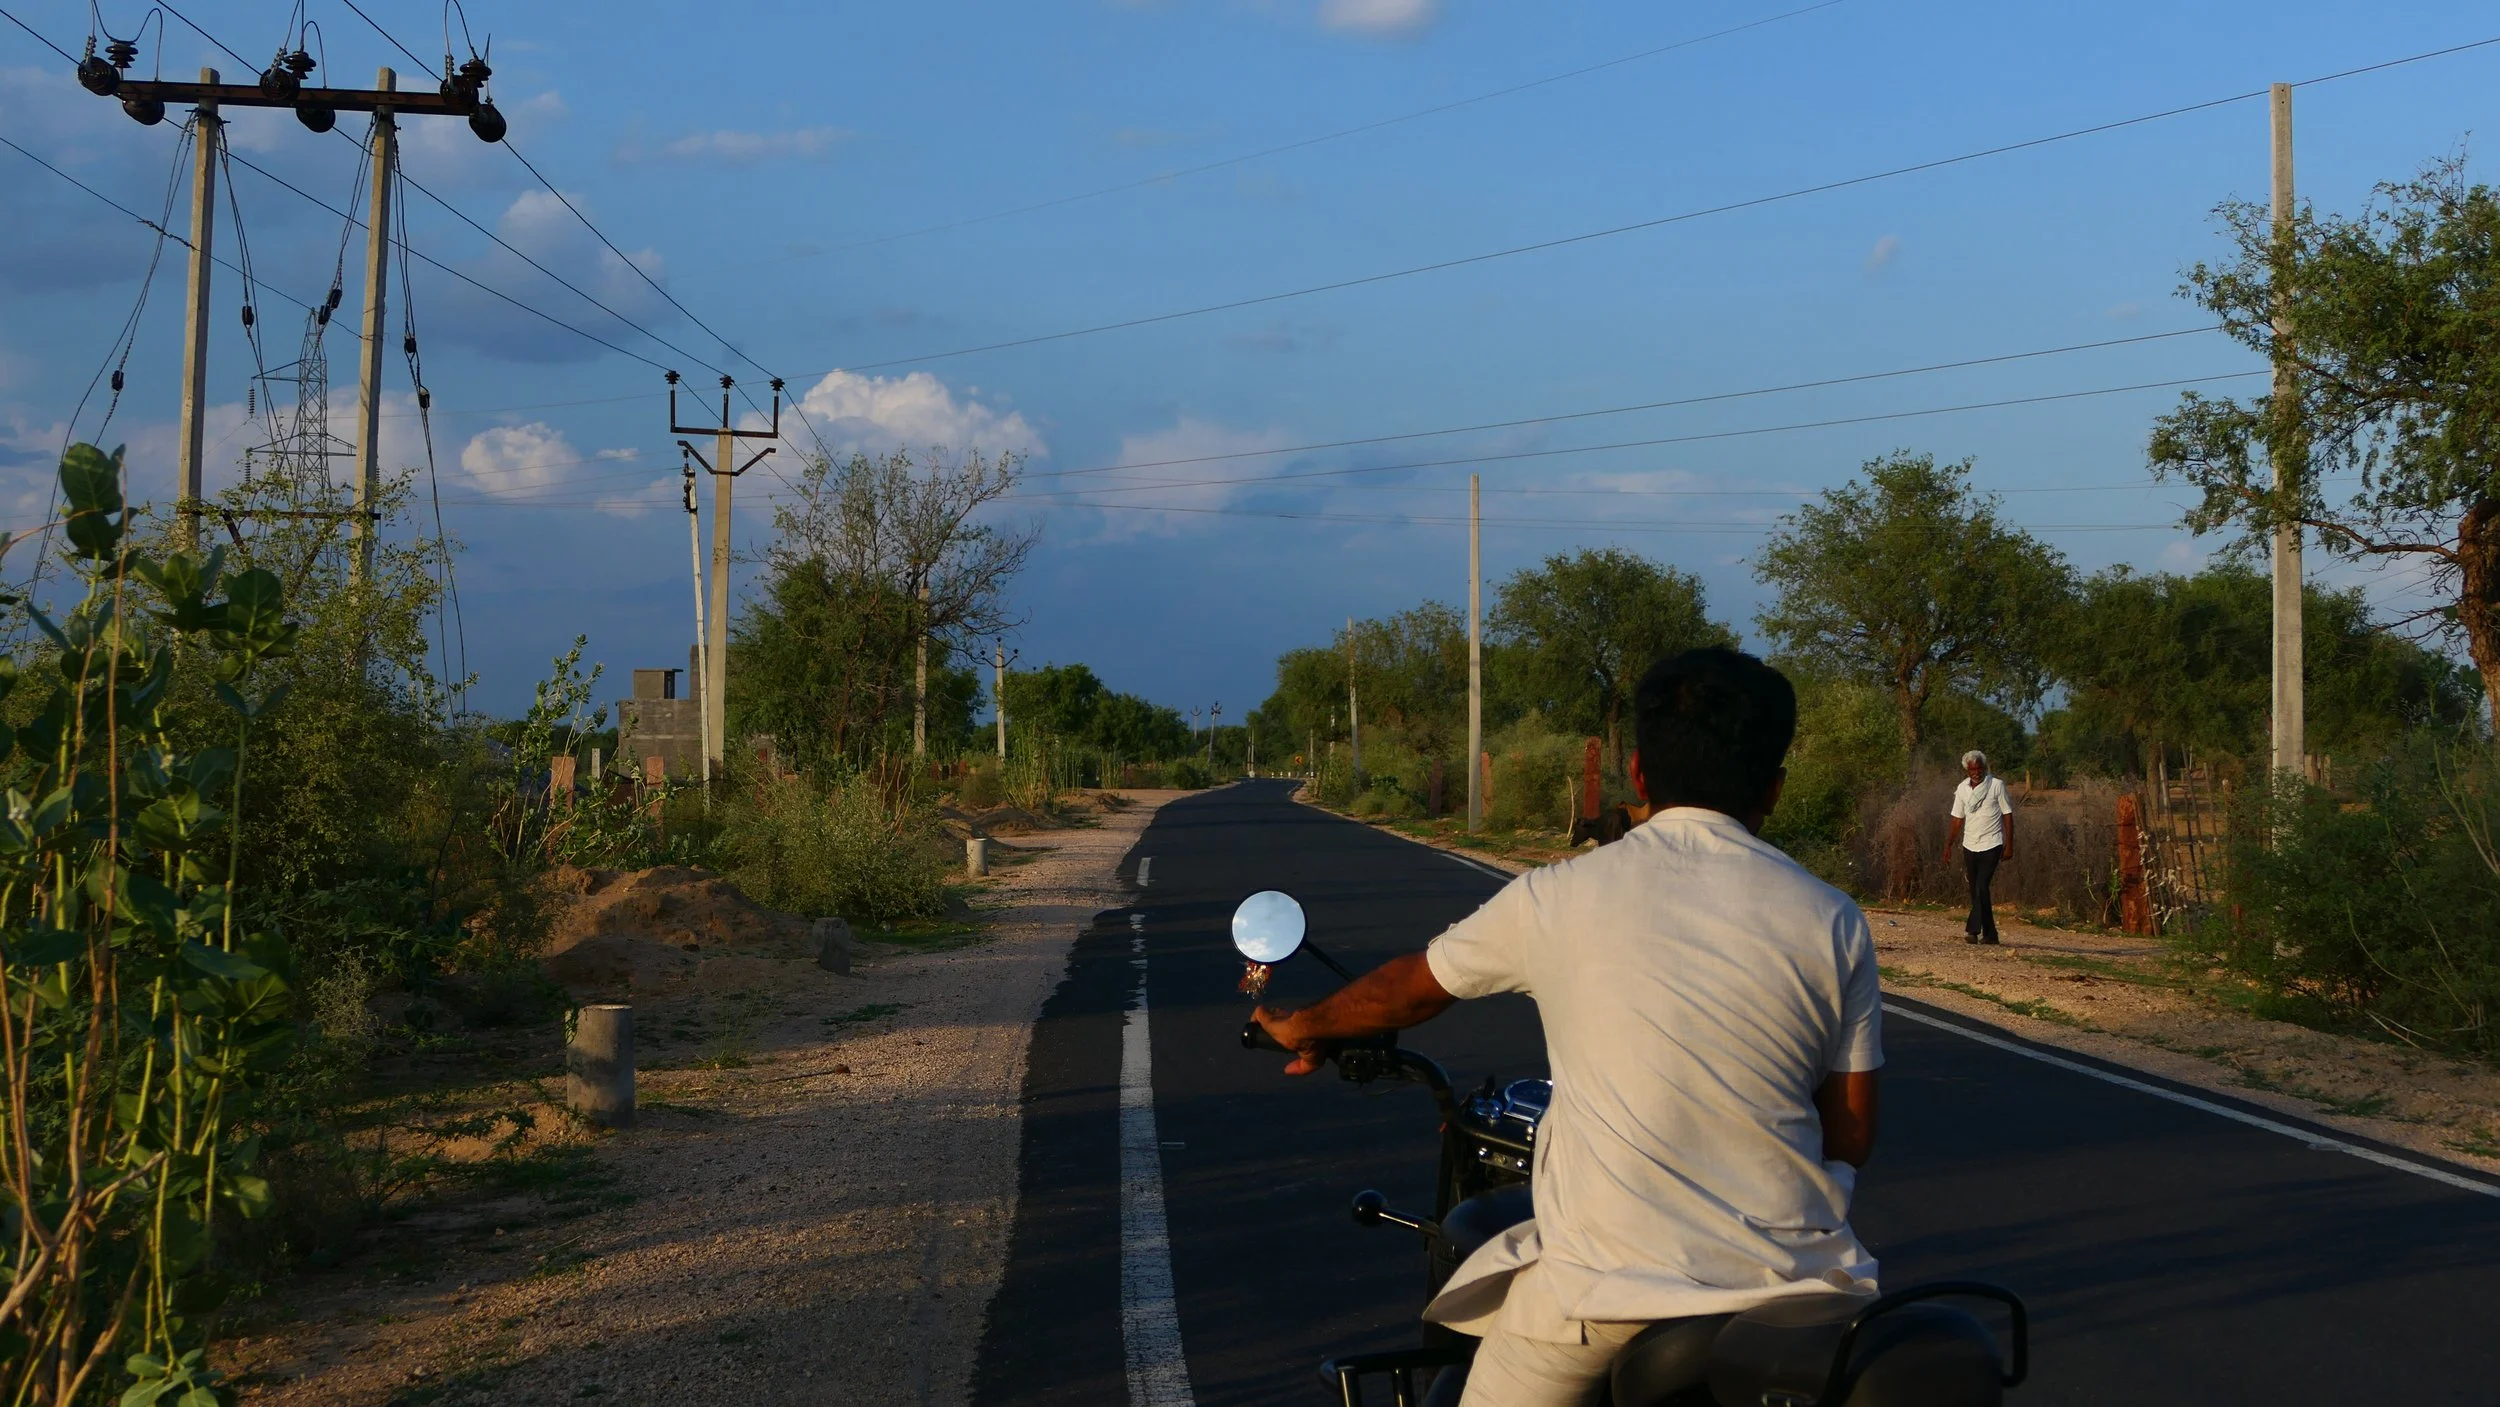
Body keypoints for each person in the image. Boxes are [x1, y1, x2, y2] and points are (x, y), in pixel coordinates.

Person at [1252, 647, 1883, 1407]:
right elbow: (1848, 1130)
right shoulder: (1833, 919)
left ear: (1640, 777)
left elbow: (1411, 988)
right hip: (1795, 1294)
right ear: (1774, 789)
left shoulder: (1559, 896)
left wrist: (1309, 1023)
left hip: (1611, 1291)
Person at [1944, 750, 2014, 946]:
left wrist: (2009, 844)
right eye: (1972, 769)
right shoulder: (1962, 789)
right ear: (1967, 770)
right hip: (1970, 844)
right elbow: (1957, 819)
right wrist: (1948, 845)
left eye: (1979, 768)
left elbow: (2007, 814)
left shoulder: (1996, 785)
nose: (1976, 772)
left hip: (1992, 843)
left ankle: (1973, 930)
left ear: (1984, 768)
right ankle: (1991, 934)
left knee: (1982, 886)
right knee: (1975, 890)